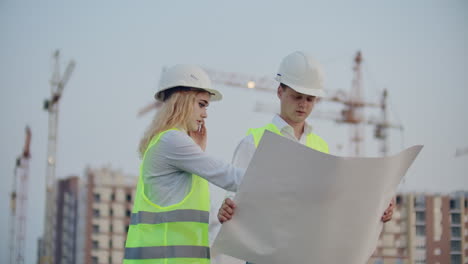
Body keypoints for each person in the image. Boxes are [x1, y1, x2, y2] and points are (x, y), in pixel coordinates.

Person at [215, 51, 394, 264]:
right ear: (280, 91)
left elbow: (334, 204)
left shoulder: (321, 147)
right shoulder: (254, 142)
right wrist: (226, 208)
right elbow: (233, 203)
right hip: (264, 256)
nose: (303, 104)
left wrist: (377, 206)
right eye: (297, 96)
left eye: (310, 99)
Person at [123, 64, 244, 264]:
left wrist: (196, 150)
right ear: (183, 100)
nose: (205, 114)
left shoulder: (165, 141)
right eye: (202, 104)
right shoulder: (171, 140)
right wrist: (281, 184)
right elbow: (228, 175)